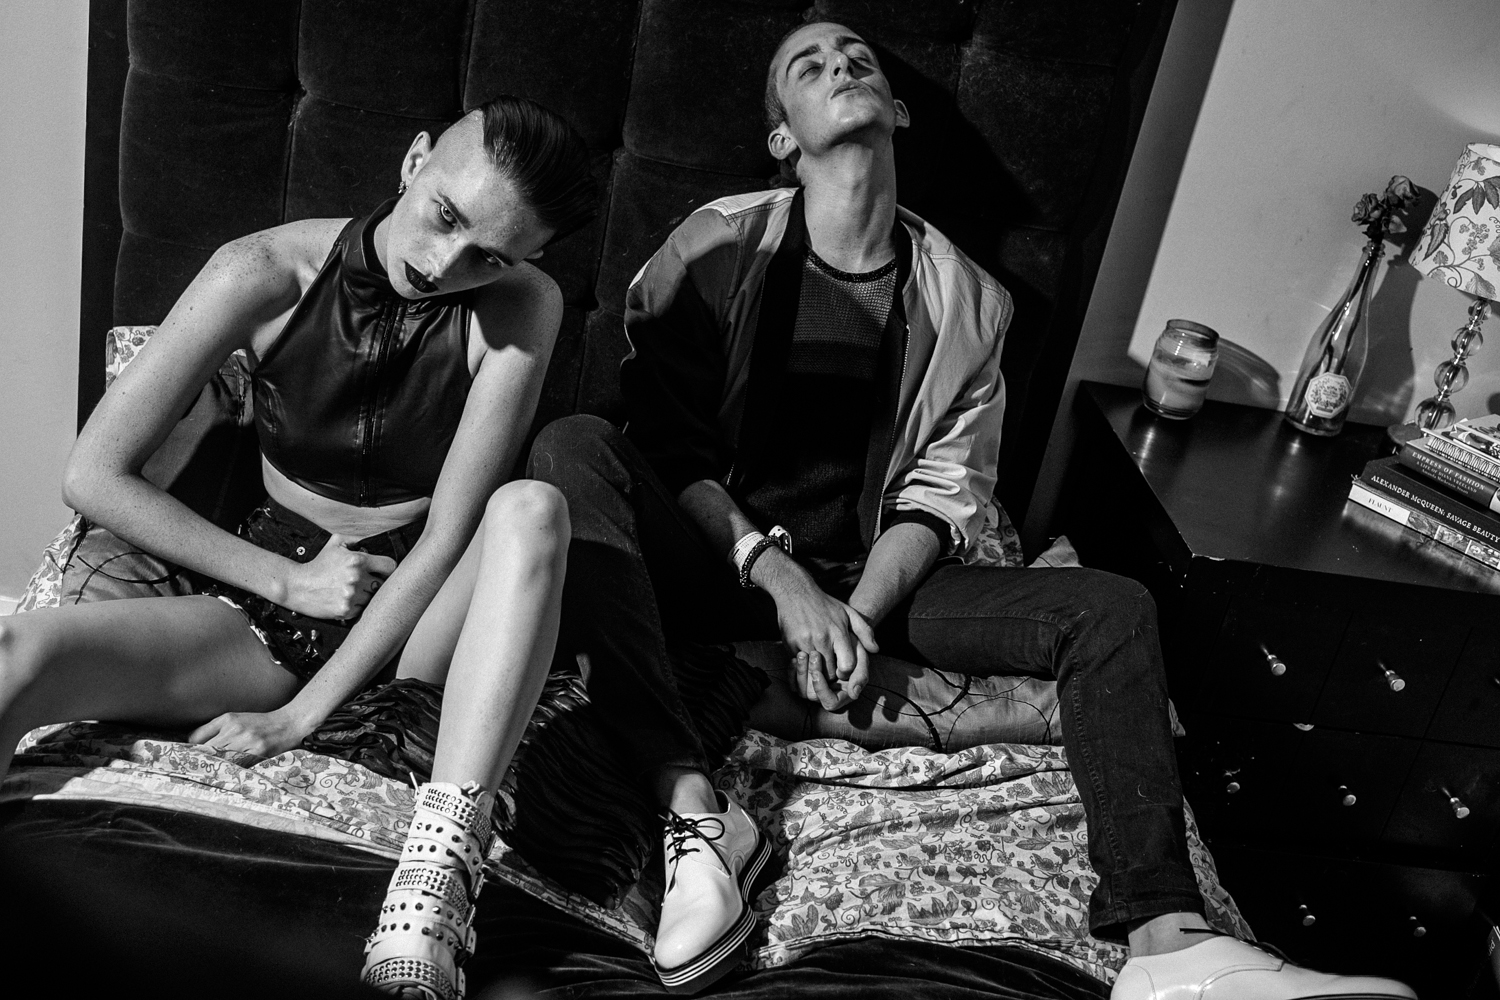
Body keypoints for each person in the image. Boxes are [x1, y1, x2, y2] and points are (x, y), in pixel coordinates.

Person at [525, 21, 1418, 1000]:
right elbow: (668, 449)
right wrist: (782, 586)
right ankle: (699, 816)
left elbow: (941, 492)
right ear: (783, 137)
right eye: (807, 66)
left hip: (872, 577)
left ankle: (1169, 945)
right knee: (573, 445)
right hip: (718, 563)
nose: (840, 65)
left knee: (1110, 608)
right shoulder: (714, 246)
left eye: (858, 58)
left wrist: (855, 615)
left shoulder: (970, 301)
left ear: (900, 111)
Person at [0, 96, 594, 1000]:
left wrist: (300, 718)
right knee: (16, 652)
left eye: (491, 256)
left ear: (529, 260)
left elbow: (446, 536)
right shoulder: (261, 270)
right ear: (415, 160)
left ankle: (436, 879)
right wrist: (290, 580)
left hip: (424, 616)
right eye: (445, 216)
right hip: (268, 606)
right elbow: (94, 475)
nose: (445, 265)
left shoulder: (525, 306)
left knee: (533, 507)